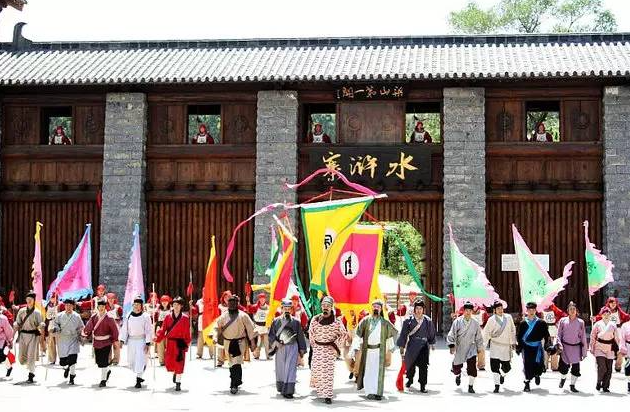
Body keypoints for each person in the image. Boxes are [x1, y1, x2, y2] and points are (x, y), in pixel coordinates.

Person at [351, 300, 397, 400]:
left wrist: (392, 347)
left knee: (377, 372)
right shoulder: (365, 320)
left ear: (381, 309)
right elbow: (358, 334)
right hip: (368, 351)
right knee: (368, 371)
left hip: (379, 351)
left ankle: (378, 392)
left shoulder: (384, 323)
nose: (376, 308)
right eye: (374, 307)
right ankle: (369, 392)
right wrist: (355, 346)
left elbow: (390, 335)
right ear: (371, 308)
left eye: (378, 307)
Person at [309, 296, 347, 404]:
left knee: (327, 373)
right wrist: (314, 346)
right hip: (318, 349)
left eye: (328, 306)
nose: (325, 307)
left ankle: (327, 395)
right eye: (324, 305)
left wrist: (336, 346)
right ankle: (320, 391)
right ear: (321, 306)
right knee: (317, 371)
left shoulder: (337, 321)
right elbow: (311, 333)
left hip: (330, 350)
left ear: (331, 307)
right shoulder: (315, 319)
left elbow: (344, 334)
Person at [215, 295, 256, 394]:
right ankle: (237, 380)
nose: (232, 305)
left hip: (239, 343)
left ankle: (233, 384)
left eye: (234, 303)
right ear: (228, 304)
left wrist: (253, 343)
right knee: (231, 363)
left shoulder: (243, 315)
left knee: (236, 362)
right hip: (228, 343)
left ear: (237, 304)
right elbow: (216, 326)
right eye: (230, 303)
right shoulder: (224, 316)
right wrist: (215, 337)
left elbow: (251, 329)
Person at [268, 299, 307, 399]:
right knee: (280, 368)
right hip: (280, 348)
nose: (286, 310)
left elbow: (300, 336)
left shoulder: (296, 322)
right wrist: (276, 343)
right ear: (281, 309)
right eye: (285, 308)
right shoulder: (276, 321)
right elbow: (271, 335)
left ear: (291, 310)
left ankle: (289, 391)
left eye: (289, 308)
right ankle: (282, 387)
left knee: (291, 368)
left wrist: (301, 350)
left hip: (292, 346)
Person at [396, 298, 436, 393]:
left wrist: (432, 343)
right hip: (412, 345)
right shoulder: (408, 321)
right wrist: (402, 346)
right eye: (417, 308)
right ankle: (410, 379)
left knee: (423, 366)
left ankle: (423, 385)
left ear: (423, 310)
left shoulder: (427, 321)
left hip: (423, 346)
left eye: (420, 308)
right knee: (410, 365)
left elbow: (431, 333)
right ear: (414, 309)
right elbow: (403, 334)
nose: (419, 310)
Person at [446, 301, 484, 393]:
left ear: (472, 311)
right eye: (466, 310)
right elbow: (451, 333)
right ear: (463, 311)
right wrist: (451, 345)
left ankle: (470, 386)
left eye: (470, 310)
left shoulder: (475, 323)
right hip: (460, 346)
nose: (468, 312)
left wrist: (480, 348)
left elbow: (479, 337)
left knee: (472, 367)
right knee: (456, 368)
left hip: (471, 347)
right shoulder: (457, 321)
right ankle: (458, 375)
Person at [155, 296, 191, 392]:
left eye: (178, 305)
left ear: (181, 306)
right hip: (170, 343)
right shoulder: (168, 317)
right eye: (174, 304)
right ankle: (175, 373)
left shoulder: (185, 318)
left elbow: (187, 332)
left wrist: (187, 343)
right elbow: (163, 329)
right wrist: (157, 337)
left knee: (180, 363)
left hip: (180, 343)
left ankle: (178, 383)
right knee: (170, 362)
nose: (176, 306)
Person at [82, 298, 119, 387]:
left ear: (105, 307)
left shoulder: (109, 318)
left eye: (103, 306)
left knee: (104, 361)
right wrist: (85, 334)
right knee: (99, 362)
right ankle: (107, 370)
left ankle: (103, 380)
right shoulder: (94, 317)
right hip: (97, 342)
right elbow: (89, 327)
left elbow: (114, 330)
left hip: (106, 342)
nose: (101, 308)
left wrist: (115, 340)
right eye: (99, 306)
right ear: (97, 307)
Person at [119, 296, 154, 389]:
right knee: (132, 360)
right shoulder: (129, 315)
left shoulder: (146, 316)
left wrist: (148, 343)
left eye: (138, 304)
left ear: (141, 305)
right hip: (131, 341)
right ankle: (140, 372)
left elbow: (148, 330)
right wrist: (122, 340)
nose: (136, 306)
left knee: (140, 359)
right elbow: (125, 329)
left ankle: (138, 379)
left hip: (141, 341)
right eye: (135, 304)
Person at [517, 302, 552, 392]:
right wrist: (519, 346)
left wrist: (548, 345)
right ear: (527, 310)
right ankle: (527, 383)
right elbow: (519, 336)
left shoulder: (541, 322)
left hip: (537, 347)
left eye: (533, 309)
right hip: (526, 347)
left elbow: (547, 335)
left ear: (536, 310)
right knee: (527, 365)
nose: (531, 311)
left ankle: (537, 374)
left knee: (538, 364)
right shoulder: (523, 323)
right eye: (530, 309)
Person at [483, 300, 516, 393]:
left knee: (507, 367)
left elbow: (513, 330)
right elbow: (486, 333)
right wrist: (483, 346)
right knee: (494, 366)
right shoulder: (491, 320)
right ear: (494, 310)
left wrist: (513, 342)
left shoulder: (508, 317)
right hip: (495, 345)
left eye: (501, 308)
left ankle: (503, 374)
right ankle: (496, 385)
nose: (500, 310)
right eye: (498, 308)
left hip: (506, 346)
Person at [13, 290, 44, 383]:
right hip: (23, 335)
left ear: (34, 300)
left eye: (31, 299)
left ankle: (31, 373)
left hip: (33, 336)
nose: (29, 301)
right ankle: (30, 366)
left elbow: (40, 323)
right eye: (27, 299)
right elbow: (18, 322)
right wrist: (15, 324)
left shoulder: (37, 312)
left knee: (31, 355)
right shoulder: (21, 311)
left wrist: (41, 325)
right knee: (21, 357)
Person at [556, 301, 587, 393]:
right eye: (570, 309)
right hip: (565, 347)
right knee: (563, 368)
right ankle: (563, 378)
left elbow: (583, 337)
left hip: (576, 348)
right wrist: (559, 344)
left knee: (576, 368)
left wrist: (584, 351)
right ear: (568, 310)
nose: (572, 311)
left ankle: (572, 385)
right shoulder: (562, 321)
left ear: (576, 310)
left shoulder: (581, 322)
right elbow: (559, 334)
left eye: (574, 309)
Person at [50, 298, 83, 385]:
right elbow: (55, 324)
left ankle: (72, 377)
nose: (68, 307)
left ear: (73, 306)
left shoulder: (77, 316)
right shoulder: (59, 315)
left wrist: (81, 335)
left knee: (72, 359)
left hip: (73, 339)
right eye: (66, 305)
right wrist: (55, 328)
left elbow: (81, 327)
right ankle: (67, 368)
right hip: (62, 339)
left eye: (70, 305)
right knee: (63, 362)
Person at [593, 296, 629, 372]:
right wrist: (594, 318)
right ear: (608, 303)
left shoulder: (619, 311)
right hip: (607, 332)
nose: (613, 304)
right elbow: (599, 317)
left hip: (618, 332)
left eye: (614, 303)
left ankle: (618, 365)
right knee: (606, 348)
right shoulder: (605, 310)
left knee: (619, 349)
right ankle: (601, 364)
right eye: (611, 302)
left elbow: (626, 317)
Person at [590, 307, 620, 392]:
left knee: (609, 369)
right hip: (599, 347)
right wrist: (592, 347)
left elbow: (617, 337)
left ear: (610, 315)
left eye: (608, 314)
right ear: (601, 315)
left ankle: (605, 386)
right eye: (604, 314)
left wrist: (619, 348)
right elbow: (593, 336)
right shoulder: (597, 324)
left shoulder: (613, 325)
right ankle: (599, 381)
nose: (606, 315)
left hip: (610, 348)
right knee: (602, 367)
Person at [541, 303, 566, 371]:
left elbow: (563, 315)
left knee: (554, 347)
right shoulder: (540, 309)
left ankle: (554, 366)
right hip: (544, 330)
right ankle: (544, 365)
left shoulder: (554, 308)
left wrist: (557, 320)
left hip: (553, 330)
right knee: (544, 349)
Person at [247, 293, 272, 360]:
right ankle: (256, 355)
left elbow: (272, 315)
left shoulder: (268, 307)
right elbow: (249, 309)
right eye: (261, 298)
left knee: (267, 342)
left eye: (263, 298)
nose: (262, 300)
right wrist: (248, 301)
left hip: (266, 327)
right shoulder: (255, 307)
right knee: (259, 342)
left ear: (265, 299)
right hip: (258, 327)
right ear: (259, 299)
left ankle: (268, 355)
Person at [44, 293, 62, 365]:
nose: (52, 299)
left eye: (53, 297)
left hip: (59, 325)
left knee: (60, 343)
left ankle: (62, 358)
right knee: (51, 343)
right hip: (51, 324)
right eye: (51, 298)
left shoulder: (60, 304)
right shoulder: (48, 305)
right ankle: (52, 359)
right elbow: (47, 316)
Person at [106, 292, 123, 365]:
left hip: (116, 327)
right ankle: (108, 359)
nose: (110, 300)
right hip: (107, 327)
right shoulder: (105, 307)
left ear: (114, 299)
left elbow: (121, 318)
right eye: (109, 298)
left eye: (112, 298)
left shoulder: (118, 308)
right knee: (107, 344)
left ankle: (116, 360)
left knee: (116, 343)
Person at [156, 295, 172, 365]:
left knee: (169, 345)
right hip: (160, 328)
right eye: (163, 301)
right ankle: (161, 360)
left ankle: (169, 360)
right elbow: (156, 320)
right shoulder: (158, 310)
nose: (164, 303)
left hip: (169, 328)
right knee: (160, 344)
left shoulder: (171, 310)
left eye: (166, 301)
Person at [0, 307, 15, 377]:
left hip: (1, 340)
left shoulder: (3, 318)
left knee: (2, 356)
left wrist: (10, 340)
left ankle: (9, 366)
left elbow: (8, 330)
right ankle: (9, 366)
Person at [619, 313, 630, 393]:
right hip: (628, 347)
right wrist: (623, 349)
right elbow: (622, 338)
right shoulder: (625, 325)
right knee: (629, 367)